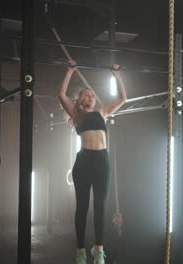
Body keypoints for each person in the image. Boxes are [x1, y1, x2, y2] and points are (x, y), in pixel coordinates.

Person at [57, 60, 127, 264]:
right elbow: (61, 95)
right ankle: (80, 251)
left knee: (100, 207)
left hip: (102, 161)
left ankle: (98, 250)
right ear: (80, 100)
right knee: (82, 207)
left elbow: (123, 97)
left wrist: (117, 75)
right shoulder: (76, 114)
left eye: (92, 94)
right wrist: (69, 72)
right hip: (84, 161)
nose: (91, 96)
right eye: (86, 94)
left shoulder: (102, 113)